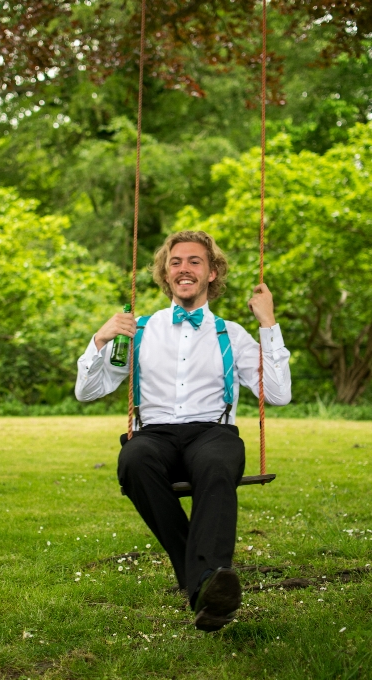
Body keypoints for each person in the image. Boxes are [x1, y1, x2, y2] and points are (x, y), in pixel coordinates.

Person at [75, 230, 291, 632]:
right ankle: (206, 581)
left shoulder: (231, 333)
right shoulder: (138, 330)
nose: (184, 268)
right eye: (176, 262)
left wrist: (268, 325)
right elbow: (88, 391)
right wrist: (99, 339)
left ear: (212, 273)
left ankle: (202, 583)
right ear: (165, 273)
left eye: (195, 261)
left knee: (215, 461)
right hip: (154, 434)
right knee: (134, 459)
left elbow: (277, 394)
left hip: (213, 431)